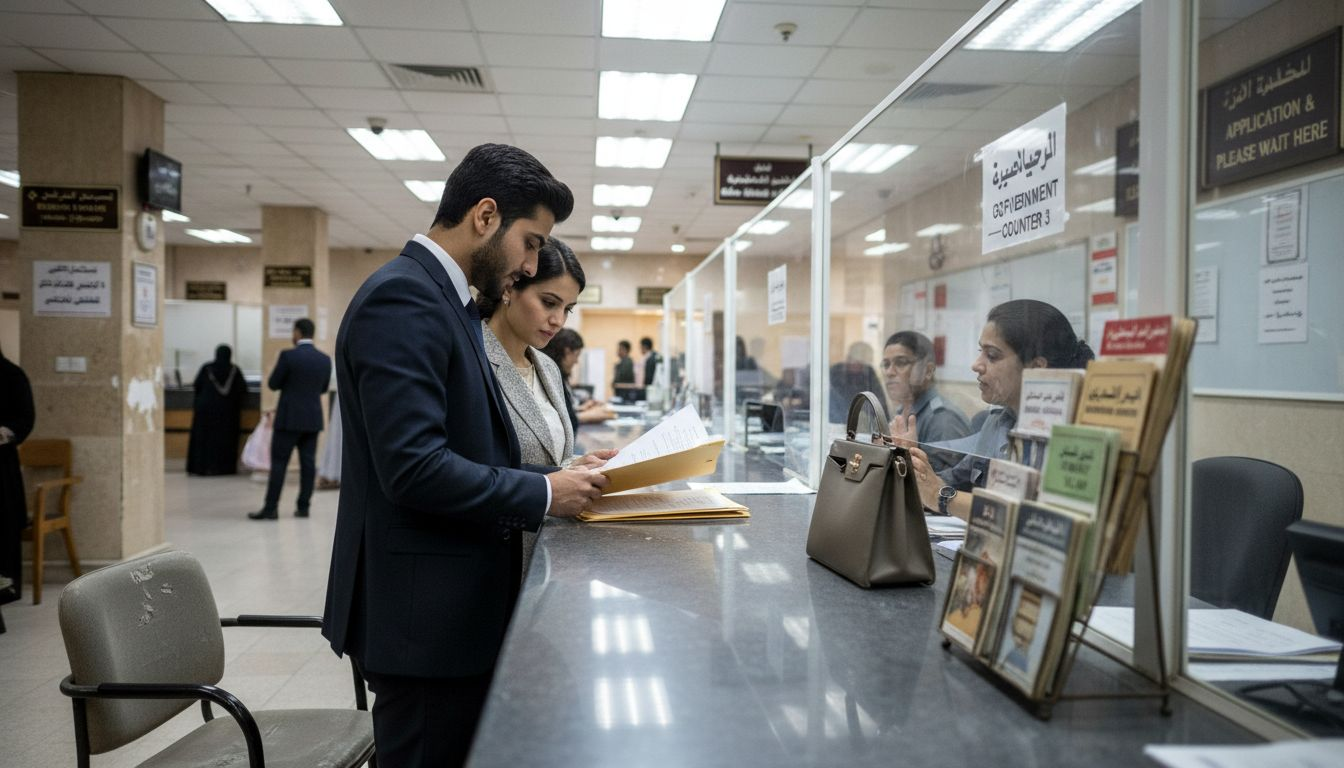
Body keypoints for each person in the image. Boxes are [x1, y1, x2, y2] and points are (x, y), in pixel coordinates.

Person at [321, 143, 608, 767]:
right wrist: (544, 494)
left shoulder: (444, 300)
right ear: (485, 217)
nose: (531, 263)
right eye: (531, 242)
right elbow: (415, 469)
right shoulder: (404, 298)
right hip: (424, 620)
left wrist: (552, 477)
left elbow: (467, 447)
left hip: (451, 611)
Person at [481, 236, 613, 577]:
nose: (558, 320)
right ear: (510, 288)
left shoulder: (547, 367)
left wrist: (575, 466)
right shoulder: (473, 358)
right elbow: (473, 467)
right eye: (549, 302)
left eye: (566, 309)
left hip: (545, 552)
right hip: (490, 553)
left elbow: (542, 457)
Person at [898, 299, 1093, 520]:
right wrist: (912, 465)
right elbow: (952, 481)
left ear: (1037, 368)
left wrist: (941, 496)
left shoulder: (1071, 436)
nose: (976, 364)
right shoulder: (998, 421)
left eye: (992, 356)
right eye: (981, 351)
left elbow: (1034, 518)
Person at [249, 318, 332, 520]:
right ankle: (303, 507)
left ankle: (271, 508)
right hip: (312, 419)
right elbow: (322, 389)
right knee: (308, 464)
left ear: (297, 332)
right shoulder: (324, 359)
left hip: (288, 418)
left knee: (279, 463)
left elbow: (273, 383)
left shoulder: (288, 356)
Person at [881, 330, 971, 447]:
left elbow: (934, 466)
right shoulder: (901, 411)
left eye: (901, 363)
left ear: (928, 371)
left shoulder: (943, 420)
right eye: (886, 364)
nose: (889, 372)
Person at [0, 347, 34, 607]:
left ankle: (6, 584)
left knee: (4, 523)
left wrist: (6, 432)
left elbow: (25, 418)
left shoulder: (12, 376)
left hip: (2, 465)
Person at [186, 344, 246, 476]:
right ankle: (224, 468)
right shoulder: (234, 370)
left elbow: (197, 386)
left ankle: (201, 468)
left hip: (205, 412)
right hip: (228, 413)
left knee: (204, 439)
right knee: (225, 440)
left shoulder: (206, 368)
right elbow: (243, 390)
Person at [538, 327, 614, 432]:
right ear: (567, 351)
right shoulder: (548, 376)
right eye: (576, 355)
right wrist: (590, 416)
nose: (576, 361)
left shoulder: (560, 375)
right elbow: (552, 419)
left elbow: (561, 410)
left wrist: (580, 408)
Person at [828, 341, 887, 423]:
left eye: (859, 362)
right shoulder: (836, 371)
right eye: (851, 359)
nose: (854, 363)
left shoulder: (868, 372)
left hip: (862, 421)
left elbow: (879, 401)